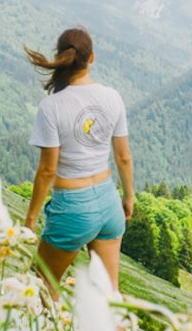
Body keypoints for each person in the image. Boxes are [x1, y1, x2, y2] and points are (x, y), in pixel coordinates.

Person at [23, 26, 134, 289]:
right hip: (109, 202)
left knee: (40, 286)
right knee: (109, 296)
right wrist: (128, 197)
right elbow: (124, 157)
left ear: (61, 58)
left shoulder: (51, 107)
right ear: (91, 58)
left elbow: (48, 171)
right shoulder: (113, 97)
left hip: (73, 207)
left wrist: (30, 221)